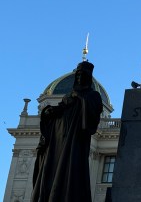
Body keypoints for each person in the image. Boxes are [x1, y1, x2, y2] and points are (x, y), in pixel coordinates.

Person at [31, 61, 103, 202]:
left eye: (83, 75)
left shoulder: (93, 95)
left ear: (88, 77)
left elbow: (93, 117)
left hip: (75, 140)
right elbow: (61, 109)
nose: (79, 78)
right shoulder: (68, 96)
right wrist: (49, 112)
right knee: (53, 168)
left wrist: (80, 98)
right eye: (78, 74)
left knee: (72, 170)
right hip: (59, 139)